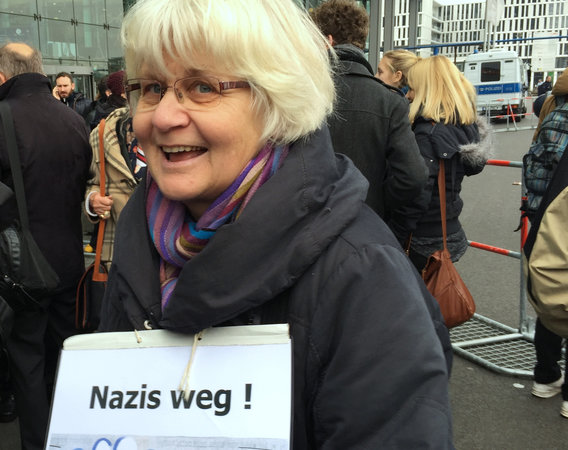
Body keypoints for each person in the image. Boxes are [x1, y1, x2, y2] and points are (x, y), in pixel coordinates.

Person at [98, 0, 453, 447]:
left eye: (203, 87)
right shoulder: (141, 234)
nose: (165, 116)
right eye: (152, 88)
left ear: (277, 102)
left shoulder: (365, 276)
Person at [0, 42, 90, 450]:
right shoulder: (72, 118)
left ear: (0, 75)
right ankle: (74, 438)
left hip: (19, 269)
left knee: (28, 364)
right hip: (70, 260)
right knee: (65, 357)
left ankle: (38, 443)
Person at [311, 0, 426, 222]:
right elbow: (413, 177)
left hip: (310, 226)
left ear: (327, 41)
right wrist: (377, 203)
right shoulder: (390, 101)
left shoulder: (301, 95)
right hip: (366, 224)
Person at [393, 55, 492, 271]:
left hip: (423, 239)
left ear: (427, 90)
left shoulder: (426, 133)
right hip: (449, 229)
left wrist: (394, 235)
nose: (408, 95)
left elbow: (418, 192)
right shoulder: (462, 126)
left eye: (412, 88)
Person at [526, 73, 568, 417]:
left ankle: (546, 375)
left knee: (550, 296)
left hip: (544, 218)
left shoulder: (551, 111)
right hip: (560, 215)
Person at [84, 70, 143, 268]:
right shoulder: (102, 133)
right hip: (118, 250)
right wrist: (93, 200)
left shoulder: (175, 131)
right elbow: (93, 182)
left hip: (168, 250)